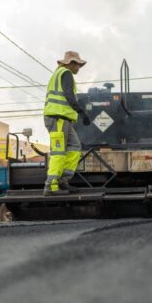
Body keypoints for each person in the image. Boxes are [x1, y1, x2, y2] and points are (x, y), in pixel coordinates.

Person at [42, 51, 91, 196]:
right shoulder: (66, 73)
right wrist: (82, 112)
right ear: (71, 63)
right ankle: (51, 186)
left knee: (75, 147)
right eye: (78, 65)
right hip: (57, 119)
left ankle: (63, 181)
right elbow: (69, 95)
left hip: (62, 119)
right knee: (58, 152)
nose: (79, 68)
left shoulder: (58, 74)